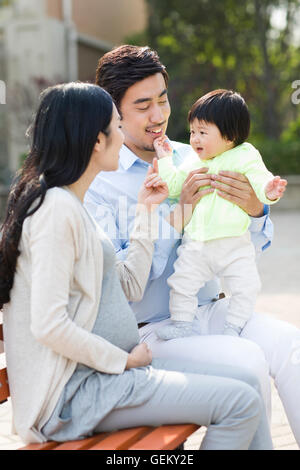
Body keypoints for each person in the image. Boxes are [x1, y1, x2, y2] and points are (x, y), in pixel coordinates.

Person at [0, 82, 273, 449]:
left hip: (106, 377)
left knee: (248, 383)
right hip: (76, 394)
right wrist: (123, 361)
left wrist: (147, 211)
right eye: (115, 127)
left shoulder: (71, 205)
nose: (123, 136)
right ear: (97, 140)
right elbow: (49, 325)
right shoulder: (54, 211)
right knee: (240, 403)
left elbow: (129, 284)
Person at [85, 44, 300, 446]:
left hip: (210, 310)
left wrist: (254, 209)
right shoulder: (99, 183)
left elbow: (244, 243)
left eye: (163, 101)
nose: (159, 116)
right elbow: (121, 283)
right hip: (148, 333)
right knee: (248, 363)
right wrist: (179, 213)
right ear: (112, 113)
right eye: (143, 105)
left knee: (292, 346)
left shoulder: (196, 154)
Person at [153, 89, 287, 341]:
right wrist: (164, 159)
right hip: (196, 243)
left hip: (234, 243)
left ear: (230, 136)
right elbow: (172, 185)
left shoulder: (245, 155)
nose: (194, 139)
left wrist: (269, 190)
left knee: (246, 286)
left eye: (203, 132)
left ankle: (233, 326)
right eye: (193, 132)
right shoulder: (194, 161)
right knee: (181, 282)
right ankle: (182, 322)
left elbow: (260, 180)